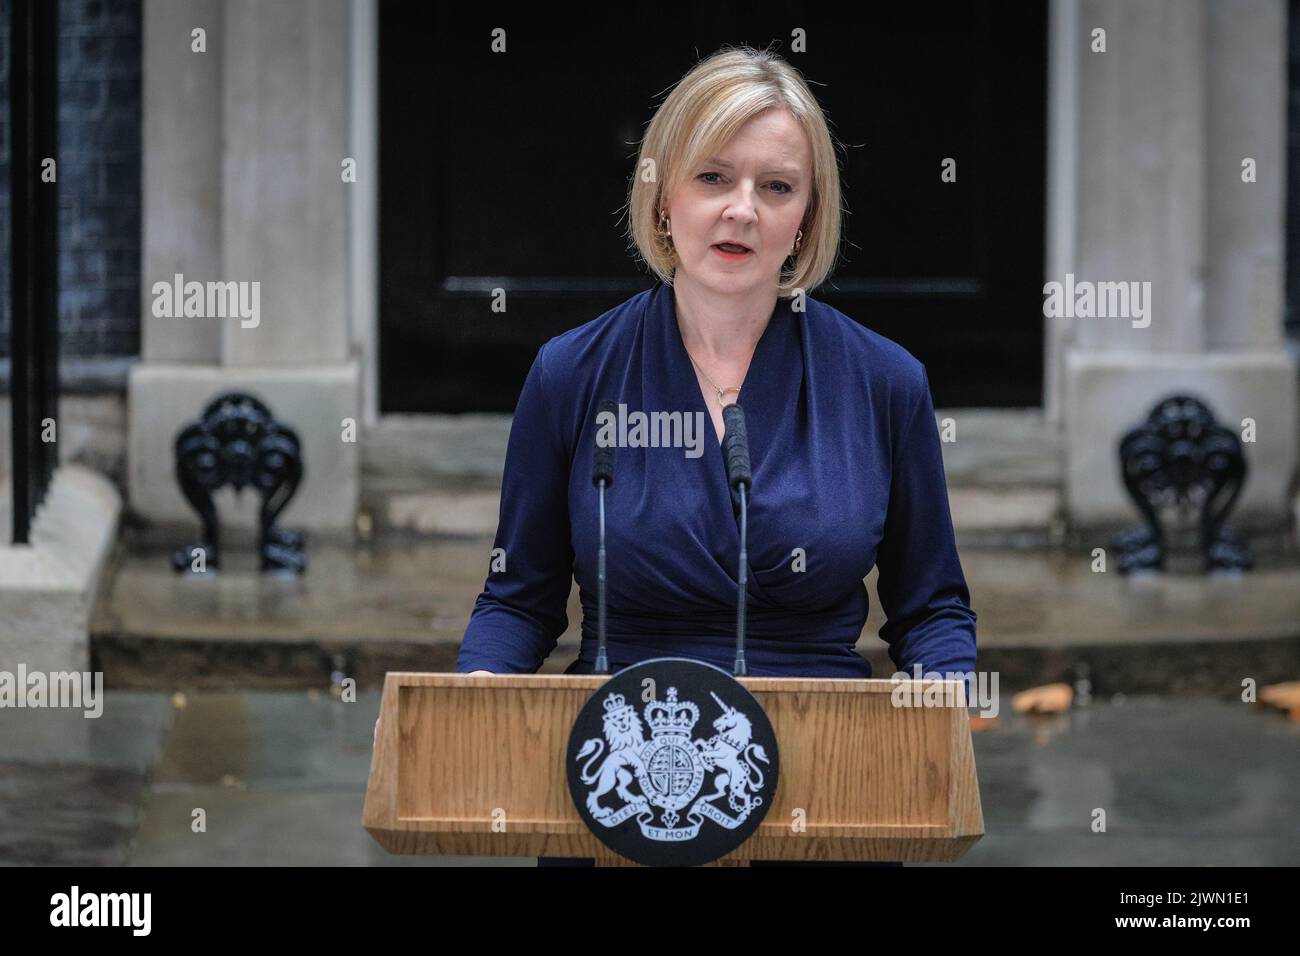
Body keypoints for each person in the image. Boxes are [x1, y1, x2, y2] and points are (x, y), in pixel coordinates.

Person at [454, 44, 978, 866]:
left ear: (806, 215)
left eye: (776, 187)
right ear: (663, 196)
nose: (742, 210)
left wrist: (944, 689)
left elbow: (932, 609)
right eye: (712, 178)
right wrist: (474, 698)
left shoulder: (885, 382)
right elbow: (518, 599)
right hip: (614, 784)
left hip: (832, 782)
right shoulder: (570, 373)